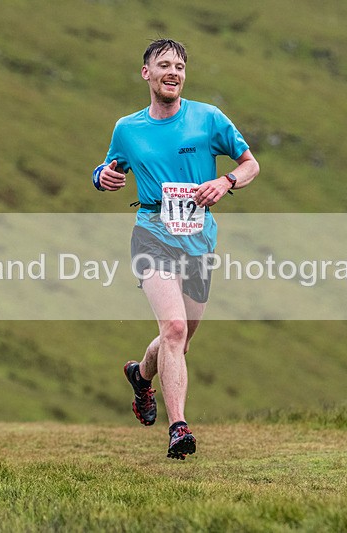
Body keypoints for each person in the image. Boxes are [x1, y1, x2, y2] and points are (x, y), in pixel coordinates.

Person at [93, 39, 259, 460]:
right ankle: (179, 428)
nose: (173, 72)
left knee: (179, 342)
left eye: (180, 66)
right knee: (174, 329)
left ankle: (140, 375)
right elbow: (110, 165)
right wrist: (102, 178)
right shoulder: (128, 128)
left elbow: (250, 164)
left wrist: (226, 182)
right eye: (164, 64)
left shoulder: (208, 118)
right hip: (151, 233)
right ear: (146, 73)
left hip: (199, 241)